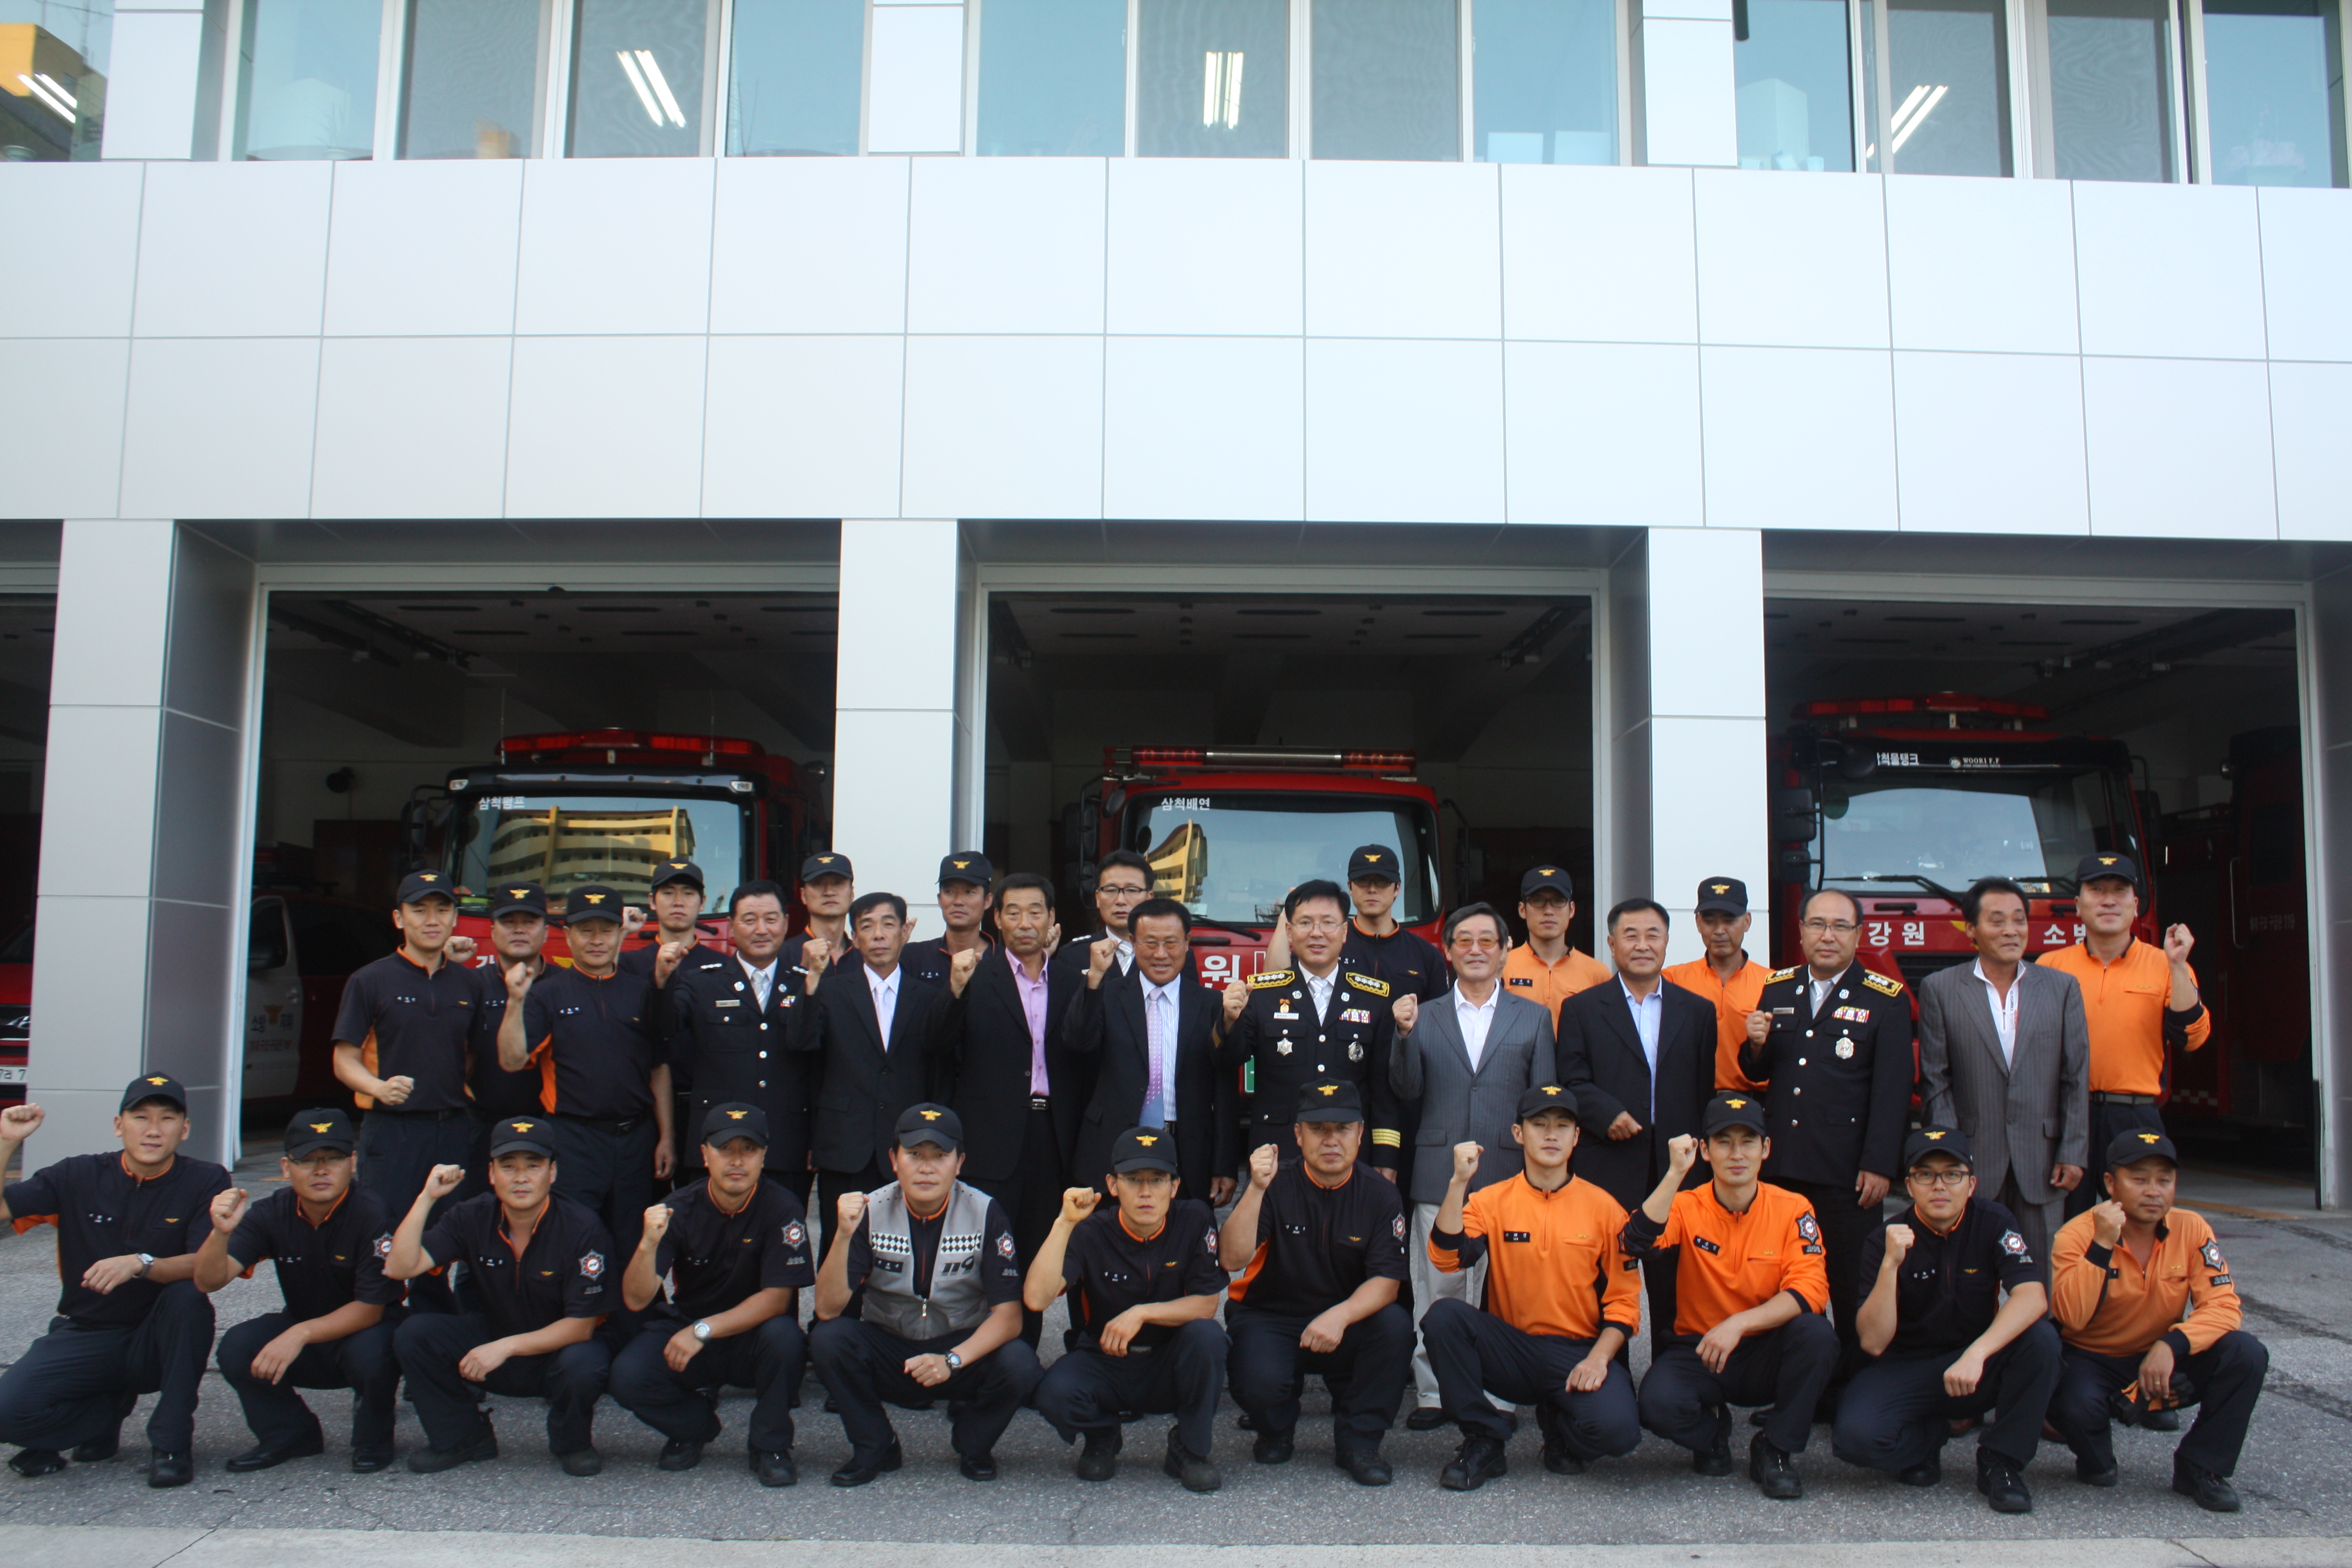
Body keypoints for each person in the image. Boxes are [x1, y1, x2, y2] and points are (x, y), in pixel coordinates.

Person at [0, 1076, 230, 1487]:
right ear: (118, 1125)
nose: (153, 1130)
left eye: (167, 1119)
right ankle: (101, 1416)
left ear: (185, 1129)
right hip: (87, 1330)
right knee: (8, 1412)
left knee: (188, 1298)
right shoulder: (77, 1174)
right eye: (140, 1117)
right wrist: (7, 1142)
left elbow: (205, 1266)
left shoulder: (207, 1179)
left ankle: (171, 1445)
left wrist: (141, 1264)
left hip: (157, 1338)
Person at [1387, 901, 1557, 1431]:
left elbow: (1543, 1103)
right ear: (1448, 950)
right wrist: (1403, 1036)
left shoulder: (1533, 1016)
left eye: (1488, 940)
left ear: (1506, 951)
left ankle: (1498, 1390)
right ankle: (1434, 1392)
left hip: (1510, 1172)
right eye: (1464, 940)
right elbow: (1406, 1090)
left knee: (1501, 1289)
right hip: (1438, 1171)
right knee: (1435, 1285)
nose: (1476, 950)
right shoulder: (1424, 1013)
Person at [808, 1104, 1042, 1487]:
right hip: (892, 1346)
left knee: (1020, 1361)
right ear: (894, 1161)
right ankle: (875, 1445)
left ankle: (974, 1442)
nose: (927, 1168)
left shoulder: (985, 1211)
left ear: (959, 1163)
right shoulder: (870, 1209)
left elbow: (1009, 1317)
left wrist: (952, 1360)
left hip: (959, 1348)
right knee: (828, 1339)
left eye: (940, 1156)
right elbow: (827, 1308)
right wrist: (843, 1235)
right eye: (915, 1155)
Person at [1422, 1086, 1642, 1491]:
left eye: (1562, 1126)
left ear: (1577, 1137)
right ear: (1518, 1134)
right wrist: (1458, 1183)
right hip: (1512, 1350)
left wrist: (1598, 1360)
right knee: (1443, 1318)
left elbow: (1624, 1302)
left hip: (1576, 1353)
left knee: (1620, 1434)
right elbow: (1446, 1258)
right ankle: (1484, 1438)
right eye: (1539, 1125)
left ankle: (1561, 1426)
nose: (1551, 1135)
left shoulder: (1605, 1208)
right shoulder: (1491, 1200)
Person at [1739, 886, 1914, 1393]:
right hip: (1783, 1168)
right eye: (1818, 924)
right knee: (1787, 1283)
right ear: (1801, 932)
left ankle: (1853, 1393)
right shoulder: (1779, 988)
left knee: (1850, 1284)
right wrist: (1754, 1045)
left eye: (1840, 926)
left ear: (1859, 935)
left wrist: (1880, 1165)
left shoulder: (1884, 997)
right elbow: (1760, 1072)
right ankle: (1797, 1390)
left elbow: (1893, 1091)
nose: (1828, 936)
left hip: (1846, 1171)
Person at [1832, 1126, 2059, 1513]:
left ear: (1971, 1184)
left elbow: (2032, 1296)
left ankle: (2001, 1461)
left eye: (1952, 1174)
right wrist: (1890, 1266)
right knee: (1856, 1439)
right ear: (1909, 1185)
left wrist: (1977, 1353)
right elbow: (1872, 1341)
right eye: (1926, 1175)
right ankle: (1927, 1438)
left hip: (1973, 1363)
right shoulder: (1885, 1237)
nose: (1939, 1186)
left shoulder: (1994, 1221)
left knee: (2042, 1340)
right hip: (1906, 1366)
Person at [1623, 1094, 1837, 1500]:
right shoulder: (1685, 1204)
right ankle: (1712, 1435)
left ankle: (1775, 1448)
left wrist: (1739, 1324)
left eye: (1748, 1142)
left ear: (1766, 1148)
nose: (1737, 1154)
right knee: (1657, 1406)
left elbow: (1811, 1290)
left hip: (1765, 1350)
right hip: (1701, 1349)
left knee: (1817, 1335)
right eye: (1723, 1142)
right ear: (1705, 1151)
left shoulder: (1794, 1208)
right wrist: (1675, 1174)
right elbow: (1636, 1241)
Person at [2048, 1130, 2266, 1512]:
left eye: (2165, 1181)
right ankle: (2095, 1454)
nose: (2154, 1192)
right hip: (2092, 1358)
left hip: (2160, 1356)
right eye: (2140, 1179)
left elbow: (2224, 1305)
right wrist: (2102, 1244)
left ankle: (2201, 1466)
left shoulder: (2192, 1228)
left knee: (2245, 1353)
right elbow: (2072, 1317)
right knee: (2081, 1422)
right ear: (2111, 1184)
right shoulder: (2076, 1234)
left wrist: (2172, 1345)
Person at [385, 1121, 621, 1476]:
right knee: (414, 1333)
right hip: (495, 1335)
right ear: (492, 1174)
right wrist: (427, 1198)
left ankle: (573, 1443)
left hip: (556, 1351)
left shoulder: (582, 1226)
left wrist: (506, 1347)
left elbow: (581, 1327)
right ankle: (463, 1437)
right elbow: (399, 1267)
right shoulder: (471, 1215)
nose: (521, 1178)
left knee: (583, 1363)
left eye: (533, 1166)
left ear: (553, 1173)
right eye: (508, 1166)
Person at [1218, 1081, 1413, 1488]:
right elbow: (1232, 1259)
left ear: (1360, 1134)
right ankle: (1275, 1429)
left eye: (1342, 1129)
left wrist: (1339, 1317)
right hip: (1272, 1316)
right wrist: (1256, 1188)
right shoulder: (1275, 1184)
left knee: (1394, 1326)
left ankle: (1359, 1442)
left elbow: (1387, 1283)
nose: (1331, 1140)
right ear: (1298, 1134)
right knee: (1258, 1380)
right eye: (1318, 1129)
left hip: (1346, 1320)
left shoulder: (1380, 1195)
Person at [610, 1103, 814, 1487]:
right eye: (725, 1149)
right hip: (690, 1330)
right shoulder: (678, 1208)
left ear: (764, 1155)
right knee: (628, 1375)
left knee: (787, 1339)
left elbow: (776, 1300)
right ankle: (693, 1427)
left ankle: (769, 1445)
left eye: (749, 1149)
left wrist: (703, 1330)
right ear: (704, 1155)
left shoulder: (782, 1207)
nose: (737, 1161)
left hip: (751, 1337)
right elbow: (636, 1299)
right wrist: (647, 1245)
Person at [192, 1108, 405, 1474]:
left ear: (353, 1163)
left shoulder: (374, 1213)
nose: (321, 1170)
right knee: (237, 1347)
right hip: (306, 1325)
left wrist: (298, 1334)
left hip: (366, 1329)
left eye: (333, 1158)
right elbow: (209, 1280)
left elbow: (370, 1308)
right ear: (286, 1168)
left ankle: (374, 1439)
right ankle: (291, 1434)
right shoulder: (270, 1212)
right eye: (307, 1160)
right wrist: (220, 1233)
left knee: (375, 1354)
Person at [1025, 1128, 1228, 1492]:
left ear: (1175, 1186)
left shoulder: (1195, 1218)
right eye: (1133, 1180)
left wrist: (1142, 1313)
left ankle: (1190, 1447)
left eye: (1157, 1180)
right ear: (1113, 1185)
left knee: (1208, 1337)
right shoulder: (1091, 1230)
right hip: (1107, 1359)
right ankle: (1102, 1434)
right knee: (1054, 1393)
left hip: (1169, 1360)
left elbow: (1206, 1304)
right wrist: (1064, 1223)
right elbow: (1037, 1299)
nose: (1146, 1192)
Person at [1559, 897, 1718, 1349]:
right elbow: (1570, 1080)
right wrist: (1604, 1113)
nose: (1642, 945)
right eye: (1631, 936)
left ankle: (1674, 1373)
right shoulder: (1582, 1008)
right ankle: (1607, 1374)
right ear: (1612, 944)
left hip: (1677, 1170)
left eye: (1653, 935)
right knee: (1605, 1278)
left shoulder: (1698, 1011)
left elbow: (1703, 1092)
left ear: (1667, 942)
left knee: (1676, 1284)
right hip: (1607, 1163)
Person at [497, 883, 675, 1260]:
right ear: (567, 935)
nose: (596, 940)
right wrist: (515, 1002)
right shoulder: (546, 993)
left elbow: (659, 1067)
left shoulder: (642, 990)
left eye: (606, 930)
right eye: (586, 930)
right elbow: (511, 1061)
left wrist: (667, 1137)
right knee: (572, 1243)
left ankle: (630, 1303)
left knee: (634, 1245)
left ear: (620, 934)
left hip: (636, 1139)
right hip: (573, 1140)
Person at [1919, 876, 2090, 1262]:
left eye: (2019, 920)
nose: (2011, 930)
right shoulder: (1941, 989)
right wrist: (1950, 1156)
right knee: (1969, 1273)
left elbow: (2076, 1078)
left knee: (2041, 1275)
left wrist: (2073, 1151)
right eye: (1997, 921)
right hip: (1973, 1160)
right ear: (1971, 930)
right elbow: (1936, 1080)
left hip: (2043, 1160)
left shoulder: (2062, 988)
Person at [332, 869, 480, 1307]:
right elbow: (344, 1060)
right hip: (391, 1132)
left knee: (441, 1238)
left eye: (442, 909)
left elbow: (473, 1056)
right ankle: (376, 1327)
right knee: (383, 1234)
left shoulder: (469, 983)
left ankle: (427, 1330)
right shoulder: (370, 980)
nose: (432, 920)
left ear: (455, 918)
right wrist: (377, 1087)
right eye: (419, 910)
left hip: (452, 1129)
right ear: (399, 919)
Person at [951, 872, 1086, 1345]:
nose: (1025, 923)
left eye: (1035, 912)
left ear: (1052, 919)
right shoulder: (975, 976)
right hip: (991, 1135)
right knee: (983, 1249)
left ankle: (1022, 1357)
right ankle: (974, 1354)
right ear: (997, 919)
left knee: (1036, 1248)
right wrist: (954, 993)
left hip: (1052, 1133)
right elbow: (942, 1048)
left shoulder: (1073, 981)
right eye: (1013, 912)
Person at [790, 891, 976, 1231]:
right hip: (846, 1145)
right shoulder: (831, 992)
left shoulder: (929, 997)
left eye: (888, 925)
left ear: (904, 932)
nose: (878, 935)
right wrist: (812, 978)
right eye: (867, 926)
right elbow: (801, 1043)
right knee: (842, 1243)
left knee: (905, 1243)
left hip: (910, 1145)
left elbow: (942, 1064)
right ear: (854, 938)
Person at [2038, 852, 2208, 1219]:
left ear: (2136, 905)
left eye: (2119, 890)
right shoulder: (2050, 966)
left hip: (2134, 1116)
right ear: (2078, 905)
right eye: (2097, 890)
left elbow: (2192, 1037)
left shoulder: (2166, 964)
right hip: (2068, 1117)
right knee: (2066, 1228)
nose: (2109, 900)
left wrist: (2178, 966)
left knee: (2138, 1224)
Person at [1064, 897, 1237, 1208]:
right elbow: (1078, 1042)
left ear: (1187, 943)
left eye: (1171, 943)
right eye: (1150, 943)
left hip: (1186, 1150)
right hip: (1113, 1146)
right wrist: (1095, 978)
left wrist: (1224, 1164)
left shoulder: (1211, 1003)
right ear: (1133, 942)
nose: (1161, 954)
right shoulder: (1107, 994)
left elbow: (1223, 1088)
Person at [1219, 880, 1400, 1176]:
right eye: (1305, 923)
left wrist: (1386, 1156)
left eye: (1328, 923)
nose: (1317, 933)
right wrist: (1228, 1020)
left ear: (1345, 932)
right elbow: (1226, 1062)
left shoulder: (1373, 998)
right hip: (1278, 1153)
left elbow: (1383, 1089)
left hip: (1351, 1157)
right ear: (1289, 932)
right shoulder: (1262, 994)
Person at [661, 879, 815, 1207]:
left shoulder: (807, 983)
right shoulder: (702, 982)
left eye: (771, 919)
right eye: (749, 920)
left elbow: (822, 1063)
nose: (761, 930)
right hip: (717, 1146)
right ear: (731, 926)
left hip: (785, 1144)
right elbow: (661, 1030)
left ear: (786, 923)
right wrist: (660, 983)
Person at [461, 881, 554, 1201]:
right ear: (492, 930)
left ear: (546, 931)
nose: (519, 930)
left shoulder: (564, 985)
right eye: (508, 922)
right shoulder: (469, 985)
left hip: (549, 1127)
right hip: (480, 1127)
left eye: (529, 922)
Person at [1661, 877, 1773, 1093]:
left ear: (1747, 921)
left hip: (1755, 1102)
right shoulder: (1672, 979)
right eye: (1710, 920)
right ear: (1698, 923)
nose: (1719, 930)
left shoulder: (1773, 983)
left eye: (1729, 920)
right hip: (1693, 1100)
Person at [1500, 864, 1610, 1026]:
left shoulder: (1597, 973)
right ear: (1522, 910)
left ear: (1572, 909)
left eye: (1558, 901)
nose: (1549, 911)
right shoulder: (1503, 966)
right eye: (1538, 901)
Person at [1050, 851, 1153, 989]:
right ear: (1098, 898)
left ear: (1149, 898)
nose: (1120, 901)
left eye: (1132, 890)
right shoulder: (1073, 955)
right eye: (1111, 890)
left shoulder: (1170, 954)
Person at [904, 850, 996, 988]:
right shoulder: (913, 956)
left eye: (969, 892)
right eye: (950, 892)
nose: (958, 901)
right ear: (940, 899)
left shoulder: (1005, 960)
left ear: (987, 901)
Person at [782, 851, 856, 979]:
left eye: (837, 883)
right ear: (803, 896)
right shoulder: (784, 954)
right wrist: (804, 969)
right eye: (818, 883)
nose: (829, 892)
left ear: (852, 894)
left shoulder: (864, 955)